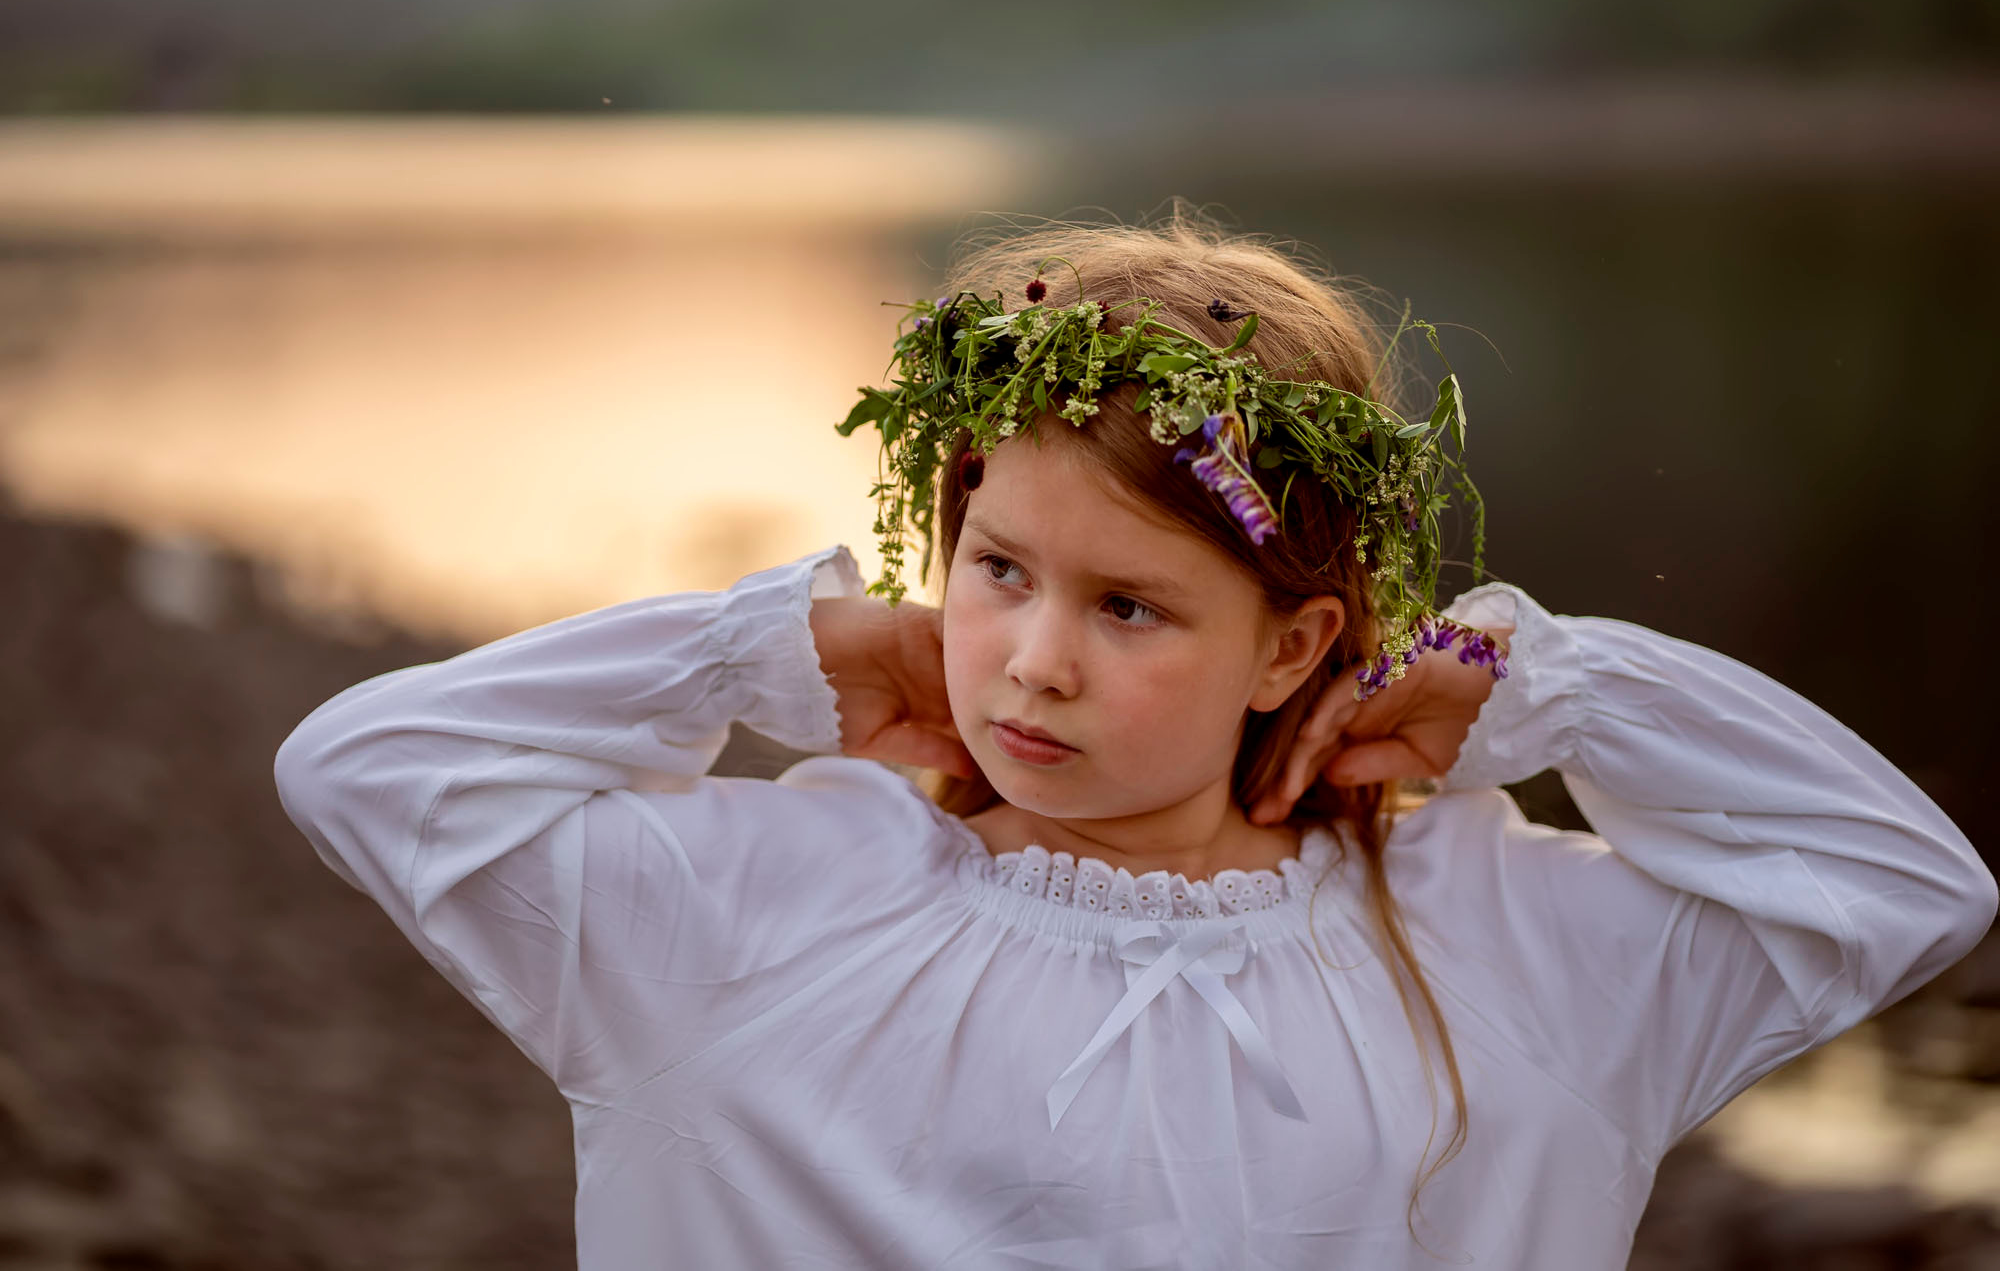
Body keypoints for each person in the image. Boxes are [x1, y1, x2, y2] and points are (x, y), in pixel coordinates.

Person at [273, 209, 1996, 1269]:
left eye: (1129, 607)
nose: (1034, 663)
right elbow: (363, 769)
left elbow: (1906, 884)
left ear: (1295, 645)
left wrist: (1537, 694)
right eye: (996, 571)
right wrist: (776, 653)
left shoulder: (1505, 944)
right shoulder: (762, 911)